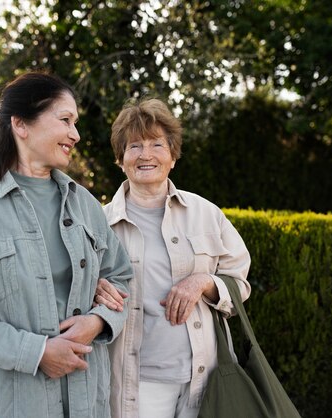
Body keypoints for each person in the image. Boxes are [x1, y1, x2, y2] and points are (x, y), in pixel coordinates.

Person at [0, 71, 132, 418]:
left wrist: (98, 322)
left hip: (84, 402)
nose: (75, 134)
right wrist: (35, 352)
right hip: (4, 404)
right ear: (21, 124)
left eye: (75, 123)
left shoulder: (86, 205)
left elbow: (121, 277)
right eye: (65, 120)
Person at [94, 98, 252, 418]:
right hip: (138, 384)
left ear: (173, 156)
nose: (146, 154)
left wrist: (203, 282)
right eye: (134, 146)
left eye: (157, 144)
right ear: (120, 159)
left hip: (204, 378)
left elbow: (239, 285)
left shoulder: (207, 214)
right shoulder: (98, 224)